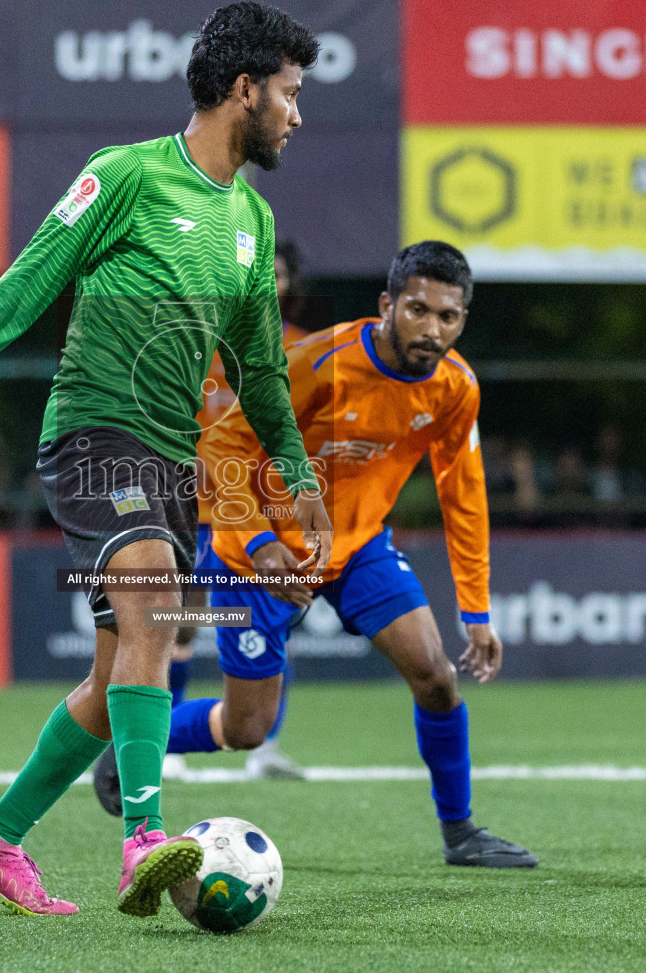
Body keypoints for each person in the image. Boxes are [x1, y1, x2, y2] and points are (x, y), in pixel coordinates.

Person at [0, 1, 333, 918]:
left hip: (172, 463)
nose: (297, 113)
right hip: (94, 433)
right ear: (242, 90)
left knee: (112, 673)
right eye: (288, 94)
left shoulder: (249, 217)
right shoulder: (125, 176)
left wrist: (299, 476)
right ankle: (144, 841)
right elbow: (31, 278)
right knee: (158, 605)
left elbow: (258, 374)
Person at [95, 241, 536, 870]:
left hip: (356, 549)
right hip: (257, 561)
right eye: (417, 310)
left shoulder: (455, 388)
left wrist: (476, 611)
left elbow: (463, 496)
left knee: (437, 676)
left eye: (448, 317)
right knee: (246, 726)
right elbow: (222, 446)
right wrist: (259, 541)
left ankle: (461, 832)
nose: (432, 329)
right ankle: (136, 740)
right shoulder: (316, 361)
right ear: (387, 304)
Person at [163, 237, 311, 785]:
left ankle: (267, 745)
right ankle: (167, 748)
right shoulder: (196, 343)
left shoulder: (305, 349)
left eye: (278, 274)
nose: (269, 284)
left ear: (291, 283)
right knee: (181, 625)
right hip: (196, 506)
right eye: (258, 273)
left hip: (270, 512)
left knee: (275, 621)